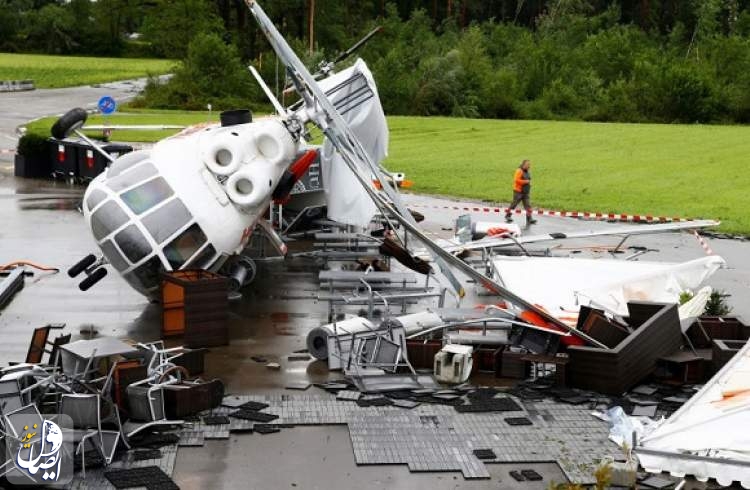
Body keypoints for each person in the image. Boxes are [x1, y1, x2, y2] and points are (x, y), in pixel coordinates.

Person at [505, 159, 537, 225]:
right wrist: (526, 182)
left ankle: (529, 218)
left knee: (528, 206)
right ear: (523, 165)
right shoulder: (519, 171)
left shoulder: (527, 171)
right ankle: (508, 216)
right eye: (528, 165)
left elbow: (528, 179)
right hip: (518, 191)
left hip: (526, 192)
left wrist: (529, 184)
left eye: (529, 165)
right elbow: (516, 180)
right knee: (514, 204)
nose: (529, 166)